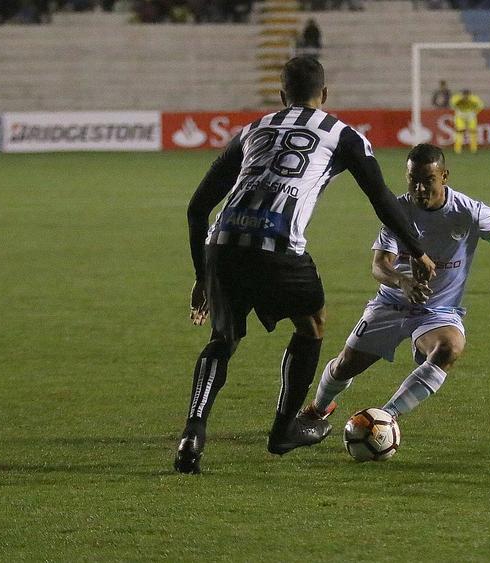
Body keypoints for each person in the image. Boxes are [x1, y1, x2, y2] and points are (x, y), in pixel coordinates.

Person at [174, 56, 437, 474]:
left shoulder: (254, 128)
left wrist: (201, 275)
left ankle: (192, 433)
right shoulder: (342, 134)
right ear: (325, 95)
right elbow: (383, 199)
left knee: (223, 338)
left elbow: (196, 209)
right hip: (279, 246)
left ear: (282, 97)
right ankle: (284, 430)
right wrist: (417, 250)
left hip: (223, 245)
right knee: (312, 324)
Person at [299, 143, 490, 425]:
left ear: (444, 176)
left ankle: (386, 419)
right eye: (412, 180)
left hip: (438, 311)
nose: (419, 189)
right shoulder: (398, 211)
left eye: (427, 180)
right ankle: (319, 408)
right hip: (391, 304)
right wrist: (402, 282)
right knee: (344, 367)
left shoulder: (469, 212)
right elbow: (379, 265)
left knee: (450, 347)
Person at [449, 88, 483, 154]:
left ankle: (473, 149)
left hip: (470, 115)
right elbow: (452, 105)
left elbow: (481, 106)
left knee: (473, 131)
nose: (465, 96)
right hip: (460, 115)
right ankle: (457, 149)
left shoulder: (474, 98)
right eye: (464, 94)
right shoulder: (457, 98)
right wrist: (460, 101)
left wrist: (475, 112)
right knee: (460, 131)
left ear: (469, 94)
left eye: (467, 94)